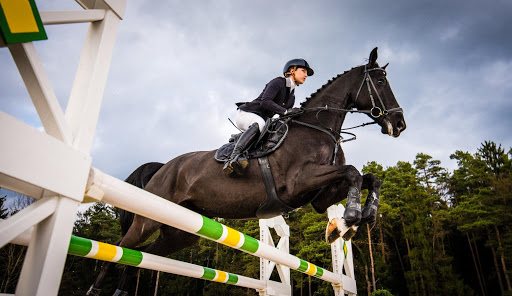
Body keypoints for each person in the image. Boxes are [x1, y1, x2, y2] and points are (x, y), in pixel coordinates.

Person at [223, 58, 314, 176]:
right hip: (248, 114)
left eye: (306, 73)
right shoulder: (278, 82)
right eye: (303, 71)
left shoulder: (292, 97)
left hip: (261, 120)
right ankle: (233, 158)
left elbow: (284, 117)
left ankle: (240, 140)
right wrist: (286, 111)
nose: (306, 75)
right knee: (260, 125)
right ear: (292, 70)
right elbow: (265, 102)